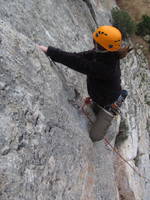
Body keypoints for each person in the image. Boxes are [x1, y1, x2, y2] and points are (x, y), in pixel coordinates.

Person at [38, 25, 132, 142]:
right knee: (93, 107)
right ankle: (100, 101)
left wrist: (50, 51)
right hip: (101, 95)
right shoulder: (104, 52)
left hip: (109, 102)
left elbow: (77, 63)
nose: (94, 44)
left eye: (96, 42)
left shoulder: (106, 68)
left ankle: (116, 102)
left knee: (95, 136)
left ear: (102, 45)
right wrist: (53, 53)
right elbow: (78, 57)